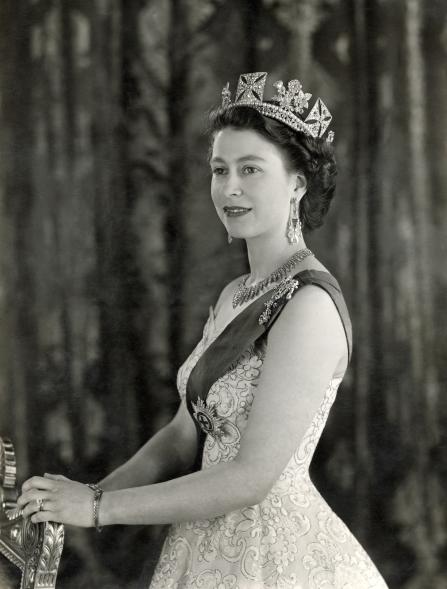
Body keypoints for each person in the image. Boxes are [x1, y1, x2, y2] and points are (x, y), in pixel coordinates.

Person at [18, 72, 389, 588]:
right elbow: (182, 435)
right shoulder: (237, 293)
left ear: (298, 183)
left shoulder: (309, 306)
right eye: (220, 169)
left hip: (275, 558)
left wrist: (99, 508)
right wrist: (81, 498)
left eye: (251, 169)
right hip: (201, 544)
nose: (229, 187)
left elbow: (252, 478)